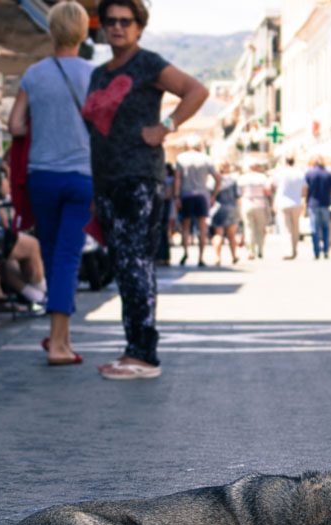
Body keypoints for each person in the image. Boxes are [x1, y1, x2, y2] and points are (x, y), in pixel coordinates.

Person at [83, 0, 207, 380]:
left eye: (126, 21)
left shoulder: (148, 63)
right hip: (106, 179)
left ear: (139, 27)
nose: (118, 28)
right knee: (123, 264)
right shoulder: (99, 75)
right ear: (102, 27)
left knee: (136, 261)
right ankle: (132, 347)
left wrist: (165, 126)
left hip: (139, 176)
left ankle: (145, 354)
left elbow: (195, 91)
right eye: (111, 22)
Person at [7, 0, 93, 365]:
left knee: (55, 253)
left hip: (42, 176)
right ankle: (59, 345)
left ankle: (61, 337)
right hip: (82, 177)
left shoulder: (34, 75)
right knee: (68, 257)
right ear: (84, 31)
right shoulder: (95, 74)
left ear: (51, 29)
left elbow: (14, 125)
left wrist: (43, 127)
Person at [175, 136, 220, 267]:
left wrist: (176, 196)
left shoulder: (181, 158)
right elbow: (218, 178)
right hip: (202, 195)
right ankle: (201, 257)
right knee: (202, 227)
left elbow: (177, 179)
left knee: (185, 227)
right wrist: (213, 195)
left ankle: (185, 253)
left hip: (186, 194)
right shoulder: (206, 159)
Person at [236, 159, 272, 260]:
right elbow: (268, 192)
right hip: (260, 203)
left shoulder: (242, 178)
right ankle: (260, 249)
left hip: (246, 203)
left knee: (248, 227)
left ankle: (250, 251)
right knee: (260, 228)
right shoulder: (263, 177)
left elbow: (238, 194)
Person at [272, 156, 305, 259]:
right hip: (297, 202)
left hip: (282, 202)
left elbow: (273, 186)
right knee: (295, 228)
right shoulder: (300, 172)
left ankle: (288, 251)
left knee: (286, 228)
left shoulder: (280, 172)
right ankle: (294, 250)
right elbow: (304, 189)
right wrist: (303, 201)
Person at [303, 156, 331, 260]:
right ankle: (326, 250)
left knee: (314, 229)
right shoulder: (328, 174)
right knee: (325, 228)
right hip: (325, 204)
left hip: (313, 204)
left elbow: (305, 189)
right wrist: (328, 196)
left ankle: (316, 251)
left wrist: (304, 203)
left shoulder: (309, 173)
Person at [209, 160, 240, 266]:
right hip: (231, 208)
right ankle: (234, 256)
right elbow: (238, 196)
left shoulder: (214, 180)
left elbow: (210, 194)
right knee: (232, 235)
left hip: (219, 208)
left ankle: (217, 257)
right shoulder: (233, 180)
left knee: (218, 234)